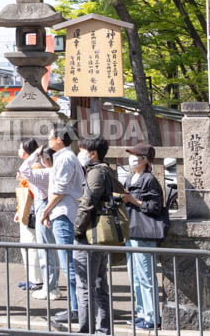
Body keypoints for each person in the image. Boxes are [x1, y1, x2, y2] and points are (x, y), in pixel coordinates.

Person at [74, 135, 121, 335]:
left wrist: (77, 229)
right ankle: (104, 329)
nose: (80, 153)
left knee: (85, 286)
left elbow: (88, 203)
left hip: (90, 235)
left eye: (83, 150)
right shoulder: (108, 171)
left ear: (92, 154)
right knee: (100, 284)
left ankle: (87, 330)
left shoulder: (95, 173)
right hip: (101, 235)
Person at [40, 123, 85, 323]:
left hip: (64, 214)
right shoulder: (64, 157)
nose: (49, 141)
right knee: (69, 263)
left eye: (50, 137)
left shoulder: (65, 158)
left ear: (59, 139)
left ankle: (77, 308)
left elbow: (60, 190)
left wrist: (46, 211)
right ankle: (76, 307)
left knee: (69, 264)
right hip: (63, 212)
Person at [122, 142, 168, 330]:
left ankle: (152, 317)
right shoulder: (131, 177)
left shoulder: (149, 179)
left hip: (143, 232)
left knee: (146, 277)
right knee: (135, 277)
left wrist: (133, 200)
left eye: (136, 155)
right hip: (131, 230)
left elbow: (155, 207)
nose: (132, 158)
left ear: (144, 159)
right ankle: (141, 313)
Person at [22, 142, 59, 300]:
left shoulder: (45, 174)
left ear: (45, 159)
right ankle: (52, 285)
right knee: (51, 250)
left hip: (43, 206)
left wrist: (35, 154)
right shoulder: (57, 171)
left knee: (45, 250)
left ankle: (50, 287)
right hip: (51, 206)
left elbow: (23, 169)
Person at [14, 138, 43, 291]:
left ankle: (37, 280)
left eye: (20, 148)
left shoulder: (36, 167)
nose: (18, 151)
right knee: (26, 246)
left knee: (32, 247)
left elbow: (32, 192)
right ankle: (32, 278)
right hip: (26, 212)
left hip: (32, 212)